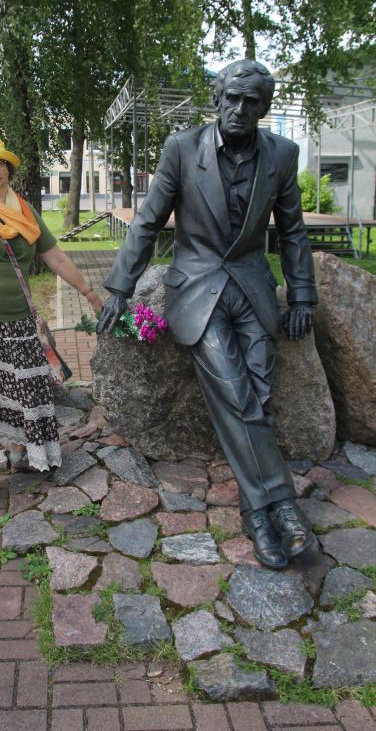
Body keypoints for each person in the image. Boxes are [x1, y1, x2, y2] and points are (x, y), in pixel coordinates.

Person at [97, 59, 317, 570]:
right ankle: (276, 509)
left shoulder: (282, 154)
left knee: (258, 394)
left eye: (251, 102)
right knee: (236, 391)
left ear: (264, 107)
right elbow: (148, 222)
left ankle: (257, 508)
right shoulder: (182, 148)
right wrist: (120, 288)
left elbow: (292, 231)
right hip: (197, 288)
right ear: (217, 99)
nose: (239, 109)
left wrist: (303, 295)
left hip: (252, 286)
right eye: (231, 99)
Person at [0, 137, 103, 505]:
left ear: (9, 169)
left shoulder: (25, 212)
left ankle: (17, 452)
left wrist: (89, 293)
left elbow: (57, 258)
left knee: (24, 390)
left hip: (17, 323)